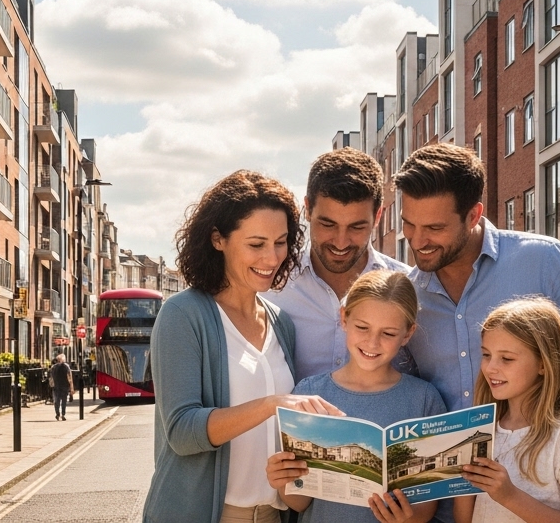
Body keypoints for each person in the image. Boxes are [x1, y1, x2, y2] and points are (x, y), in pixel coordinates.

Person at [393, 145, 560, 523]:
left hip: (542, 503)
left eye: (434, 228)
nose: (418, 240)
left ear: (474, 215)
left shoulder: (545, 262)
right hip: (440, 508)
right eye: (409, 224)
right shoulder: (407, 296)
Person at [143, 170, 343, 523]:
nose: (272, 258)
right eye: (256, 244)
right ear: (218, 239)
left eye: (281, 242)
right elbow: (182, 432)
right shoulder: (182, 315)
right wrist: (271, 404)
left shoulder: (281, 322)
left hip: (273, 515)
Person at [265, 270, 446, 523]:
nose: (372, 343)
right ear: (344, 318)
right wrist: (282, 482)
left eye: (389, 333)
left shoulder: (424, 399)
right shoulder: (308, 395)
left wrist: (407, 518)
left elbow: (426, 509)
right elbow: (300, 501)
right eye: (362, 327)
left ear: (407, 334)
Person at [264, 148, 414, 382]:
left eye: (356, 227)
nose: (341, 242)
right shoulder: (271, 288)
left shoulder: (409, 287)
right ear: (308, 209)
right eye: (328, 224)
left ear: (377, 217)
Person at [455, 298, 560, 523]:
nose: (490, 367)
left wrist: (510, 496)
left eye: (506, 358)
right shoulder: (482, 429)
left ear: (544, 364)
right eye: (486, 355)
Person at [49, 354, 74, 420]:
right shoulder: (66, 366)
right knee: (64, 401)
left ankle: (57, 414)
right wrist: (71, 388)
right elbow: (70, 378)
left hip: (56, 386)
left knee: (56, 401)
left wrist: (52, 385)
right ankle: (63, 414)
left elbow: (51, 377)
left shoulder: (53, 367)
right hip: (64, 386)